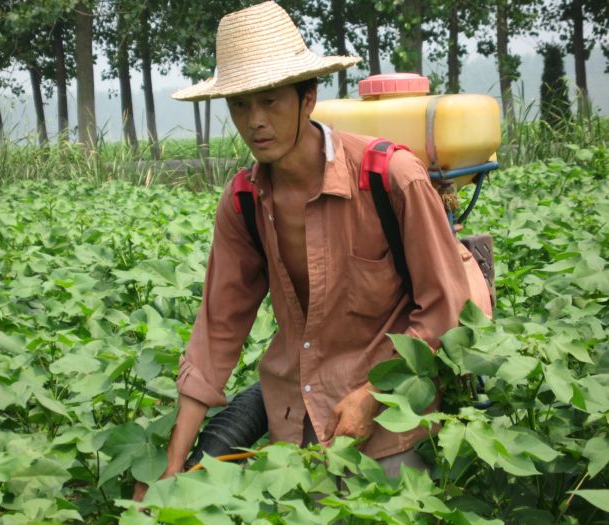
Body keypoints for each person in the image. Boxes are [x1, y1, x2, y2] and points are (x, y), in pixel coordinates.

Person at [134, 0, 472, 500]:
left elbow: (445, 309)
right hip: (296, 414)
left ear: (307, 98)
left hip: (394, 411)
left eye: (270, 101)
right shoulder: (244, 201)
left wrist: (372, 395)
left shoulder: (389, 178)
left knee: (387, 504)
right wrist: (171, 466)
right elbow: (217, 330)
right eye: (240, 105)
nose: (255, 121)